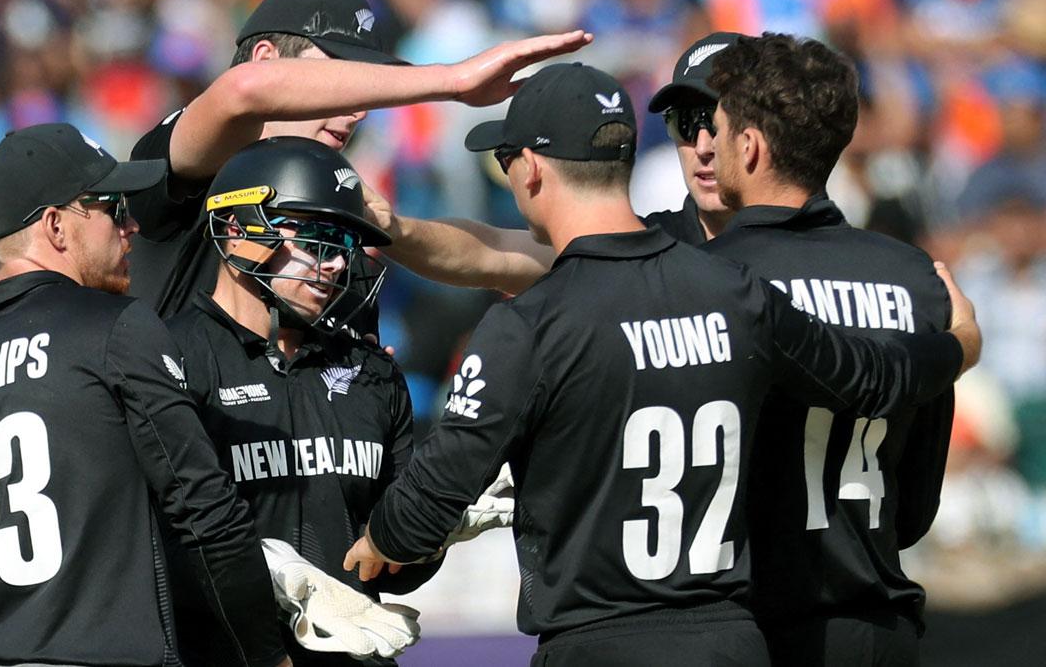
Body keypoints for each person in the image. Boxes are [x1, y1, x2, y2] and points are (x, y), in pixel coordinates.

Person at [341, 63, 979, 666]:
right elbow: (873, 378)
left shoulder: (530, 321)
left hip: (599, 639)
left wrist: (382, 541)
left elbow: (433, 494)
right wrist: (958, 346)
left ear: (529, 169)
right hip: (734, 637)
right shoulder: (734, 293)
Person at [0, 124, 289, 667]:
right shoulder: (115, 330)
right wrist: (266, 655)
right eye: (112, 208)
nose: (133, 226)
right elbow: (205, 512)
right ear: (56, 226)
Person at [702, 34, 956, 665]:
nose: (707, 144)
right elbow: (917, 501)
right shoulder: (916, 275)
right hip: (877, 626)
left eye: (718, 127)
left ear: (751, 145)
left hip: (749, 629)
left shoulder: (703, 279)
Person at [126, 0, 593, 322]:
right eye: (342, 74)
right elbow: (243, 92)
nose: (360, 107)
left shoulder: (336, 190)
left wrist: (395, 231)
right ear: (266, 58)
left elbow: (517, 260)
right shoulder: (183, 160)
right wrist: (452, 81)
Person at [163, 137, 439, 666]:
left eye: (344, 244)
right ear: (239, 228)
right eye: (316, 239)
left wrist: (431, 526)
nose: (336, 263)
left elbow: (403, 573)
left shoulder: (372, 372)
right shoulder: (166, 361)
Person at [357, 32, 746, 293]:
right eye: (684, 122)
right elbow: (490, 252)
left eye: (715, 120)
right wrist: (392, 228)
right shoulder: (650, 248)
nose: (702, 144)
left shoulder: (805, 245)